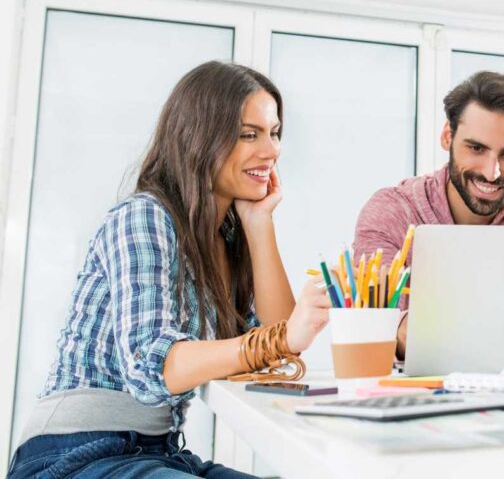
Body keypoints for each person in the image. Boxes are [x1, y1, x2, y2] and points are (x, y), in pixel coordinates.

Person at [7, 62, 330, 479]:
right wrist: (278, 339)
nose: (271, 151)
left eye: (274, 132)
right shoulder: (144, 216)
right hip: (74, 454)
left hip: (160, 452)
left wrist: (259, 224)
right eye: (249, 134)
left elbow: (275, 352)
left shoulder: (227, 238)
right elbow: (150, 368)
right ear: (199, 137)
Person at [353, 70, 504, 355]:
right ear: (448, 136)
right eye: (476, 148)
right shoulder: (393, 212)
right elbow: (373, 327)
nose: (491, 172)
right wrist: (398, 329)